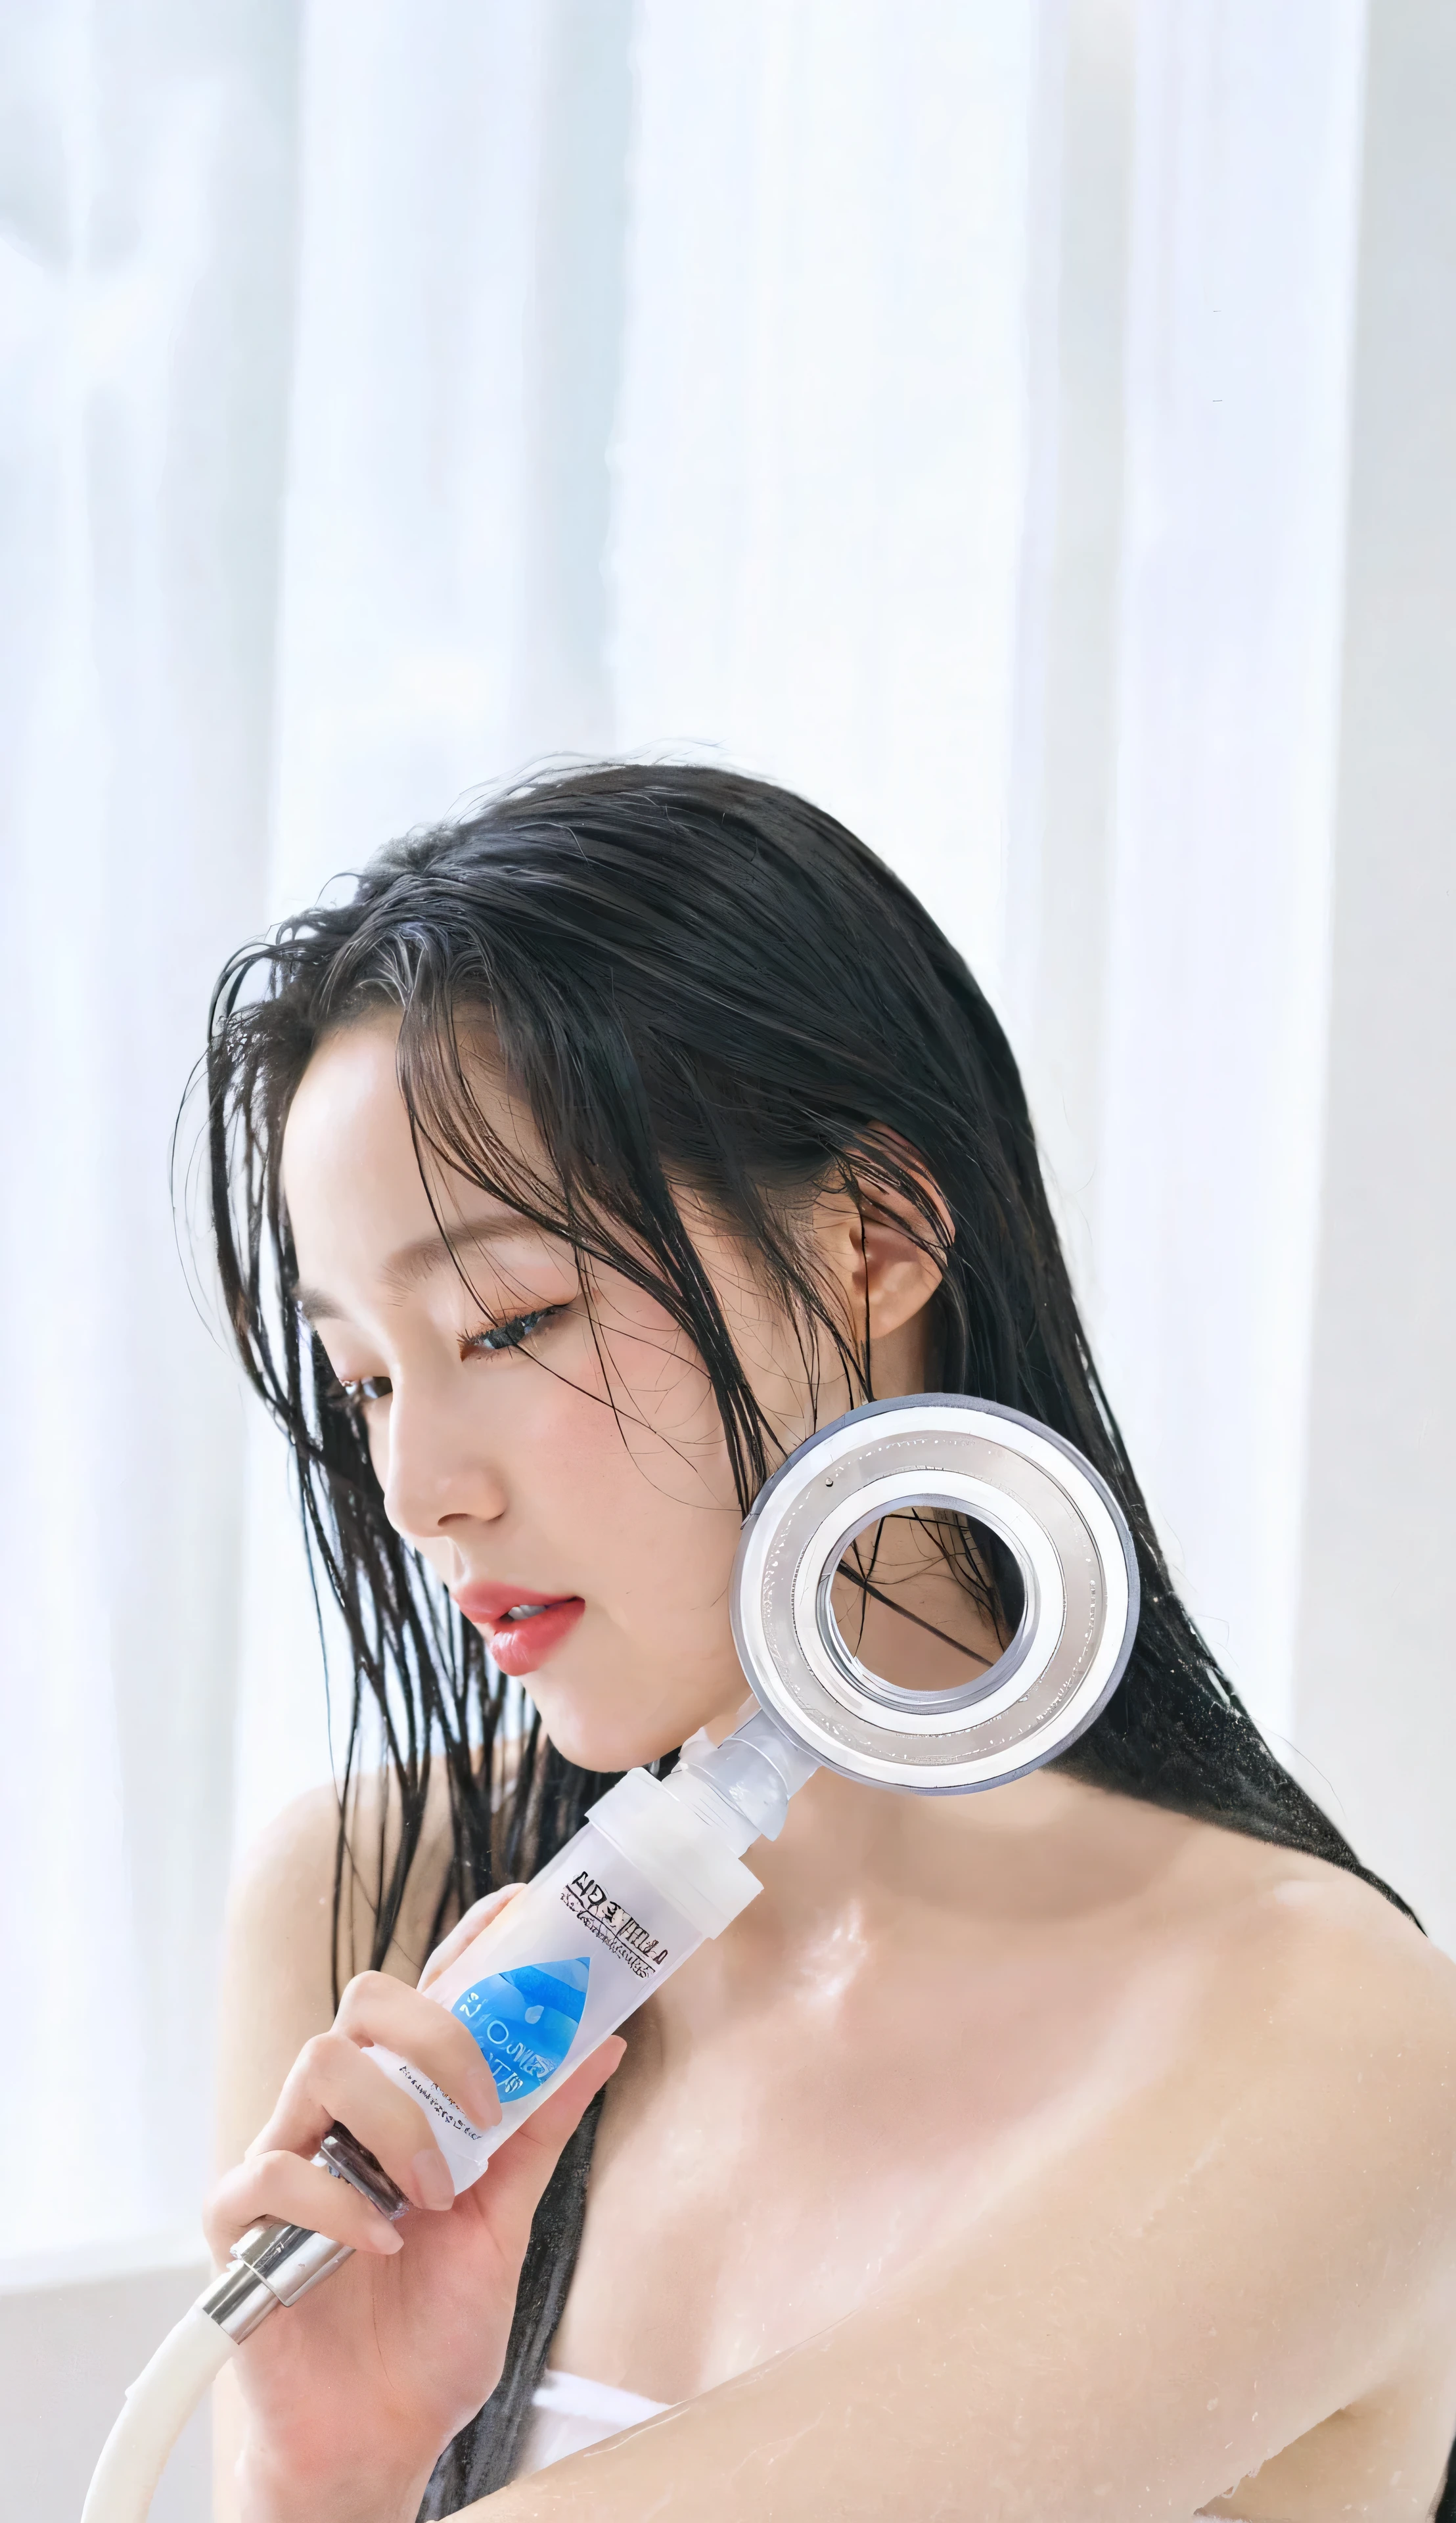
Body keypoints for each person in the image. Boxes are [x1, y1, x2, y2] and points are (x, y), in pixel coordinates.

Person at [202, 764, 1456, 2522]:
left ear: (874, 1235)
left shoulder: (1329, 2042)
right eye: (367, 1379)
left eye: (510, 1317)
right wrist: (318, 2471)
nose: (419, 1489)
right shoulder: (381, 1905)